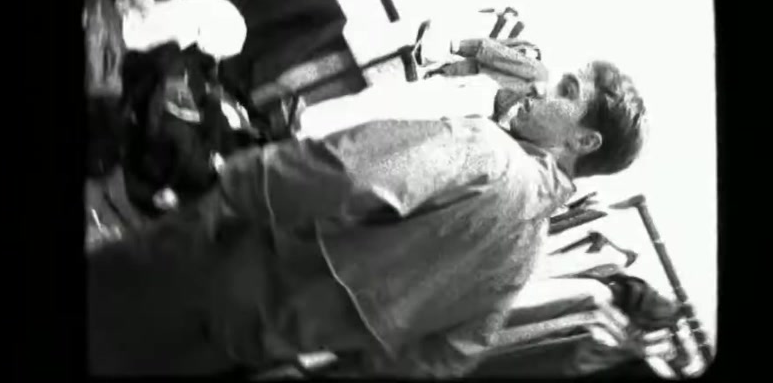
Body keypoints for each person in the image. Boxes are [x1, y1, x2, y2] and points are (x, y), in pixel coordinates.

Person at [88, 59, 646, 376]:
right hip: (260, 345)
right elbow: (444, 359)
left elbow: (345, 175)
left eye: (567, 90)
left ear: (584, 141)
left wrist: (234, 180)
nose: (541, 83)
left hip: (221, 263)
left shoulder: (487, 151)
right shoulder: (525, 253)